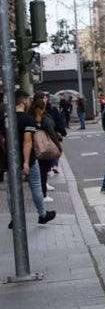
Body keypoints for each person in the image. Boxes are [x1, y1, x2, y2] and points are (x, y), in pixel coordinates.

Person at [11, 90, 56, 227]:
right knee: (36, 186)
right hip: (28, 159)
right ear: (24, 101)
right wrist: (25, 161)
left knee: (11, 189)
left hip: (10, 158)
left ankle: (14, 219)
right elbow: (28, 142)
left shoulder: (6, 118)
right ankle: (42, 214)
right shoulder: (27, 119)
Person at [31, 92, 65, 202]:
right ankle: (43, 194)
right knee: (43, 171)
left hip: (33, 149)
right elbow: (52, 133)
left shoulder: (30, 118)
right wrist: (59, 148)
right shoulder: (45, 118)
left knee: (37, 173)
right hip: (44, 149)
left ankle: (39, 193)